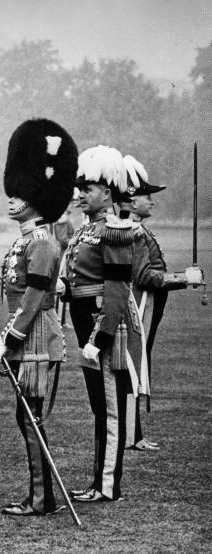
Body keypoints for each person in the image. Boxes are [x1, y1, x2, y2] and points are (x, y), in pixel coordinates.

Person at [0, 118, 78, 516]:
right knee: (27, 416)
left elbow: (34, 297)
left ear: (35, 196)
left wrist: (8, 338)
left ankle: (42, 499)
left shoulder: (40, 241)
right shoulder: (27, 238)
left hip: (35, 337)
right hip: (28, 335)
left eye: (20, 194)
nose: (12, 199)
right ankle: (39, 496)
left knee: (30, 417)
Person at [60, 145, 147, 503]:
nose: (81, 194)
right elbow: (80, 277)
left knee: (109, 407)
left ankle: (108, 484)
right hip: (84, 321)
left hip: (101, 324)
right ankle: (99, 479)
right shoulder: (86, 231)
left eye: (89, 189)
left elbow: (116, 288)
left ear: (107, 193)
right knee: (99, 404)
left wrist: (103, 334)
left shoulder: (113, 230)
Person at [117, 156, 204, 451]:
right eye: (147, 196)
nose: (152, 202)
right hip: (139, 305)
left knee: (136, 366)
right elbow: (145, 276)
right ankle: (131, 435)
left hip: (144, 304)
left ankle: (134, 434)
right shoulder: (135, 231)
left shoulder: (135, 229)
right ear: (130, 200)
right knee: (133, 367)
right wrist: (183, 277)